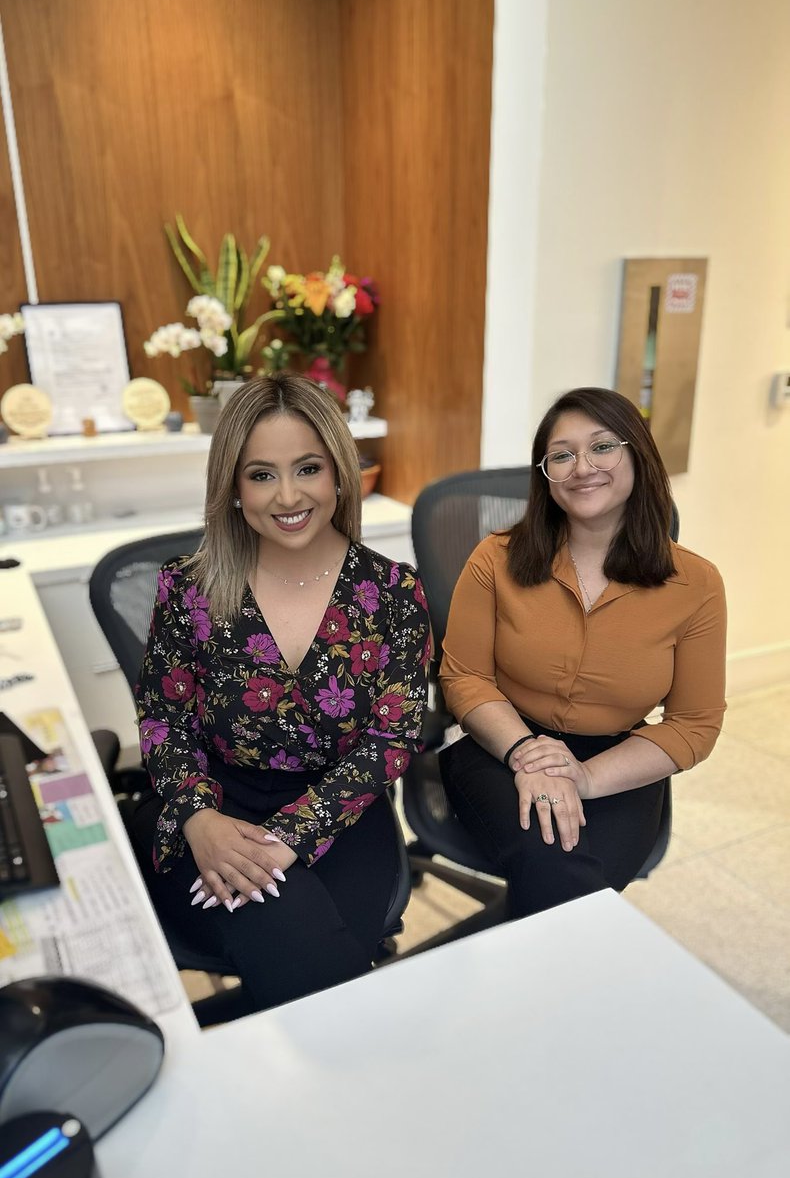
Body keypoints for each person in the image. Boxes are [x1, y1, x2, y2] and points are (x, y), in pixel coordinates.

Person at [132, 374, 430, 1017]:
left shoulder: (395, 593)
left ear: (340, 474)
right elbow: (163, 720)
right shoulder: (188, 590)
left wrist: (292, 836)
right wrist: (200, 820)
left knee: (314, 959)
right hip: (214, 802)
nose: (288, 496)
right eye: (261, 474)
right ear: (233, 489)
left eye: (308, 468)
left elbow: (392, 742)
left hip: (341, 809)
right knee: (293, 942)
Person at [439, 387, 726, 918]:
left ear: (638, 454)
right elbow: (464, 677)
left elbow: (694, 724)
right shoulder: (495, 559)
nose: (582, 467)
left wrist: (586, 777)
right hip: (498, 744)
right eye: (562, 455)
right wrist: (530, 755)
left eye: (601, 447)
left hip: (620, 762)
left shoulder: (697, 583)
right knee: (561, 876)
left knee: (575, 889)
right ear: (544, 475)